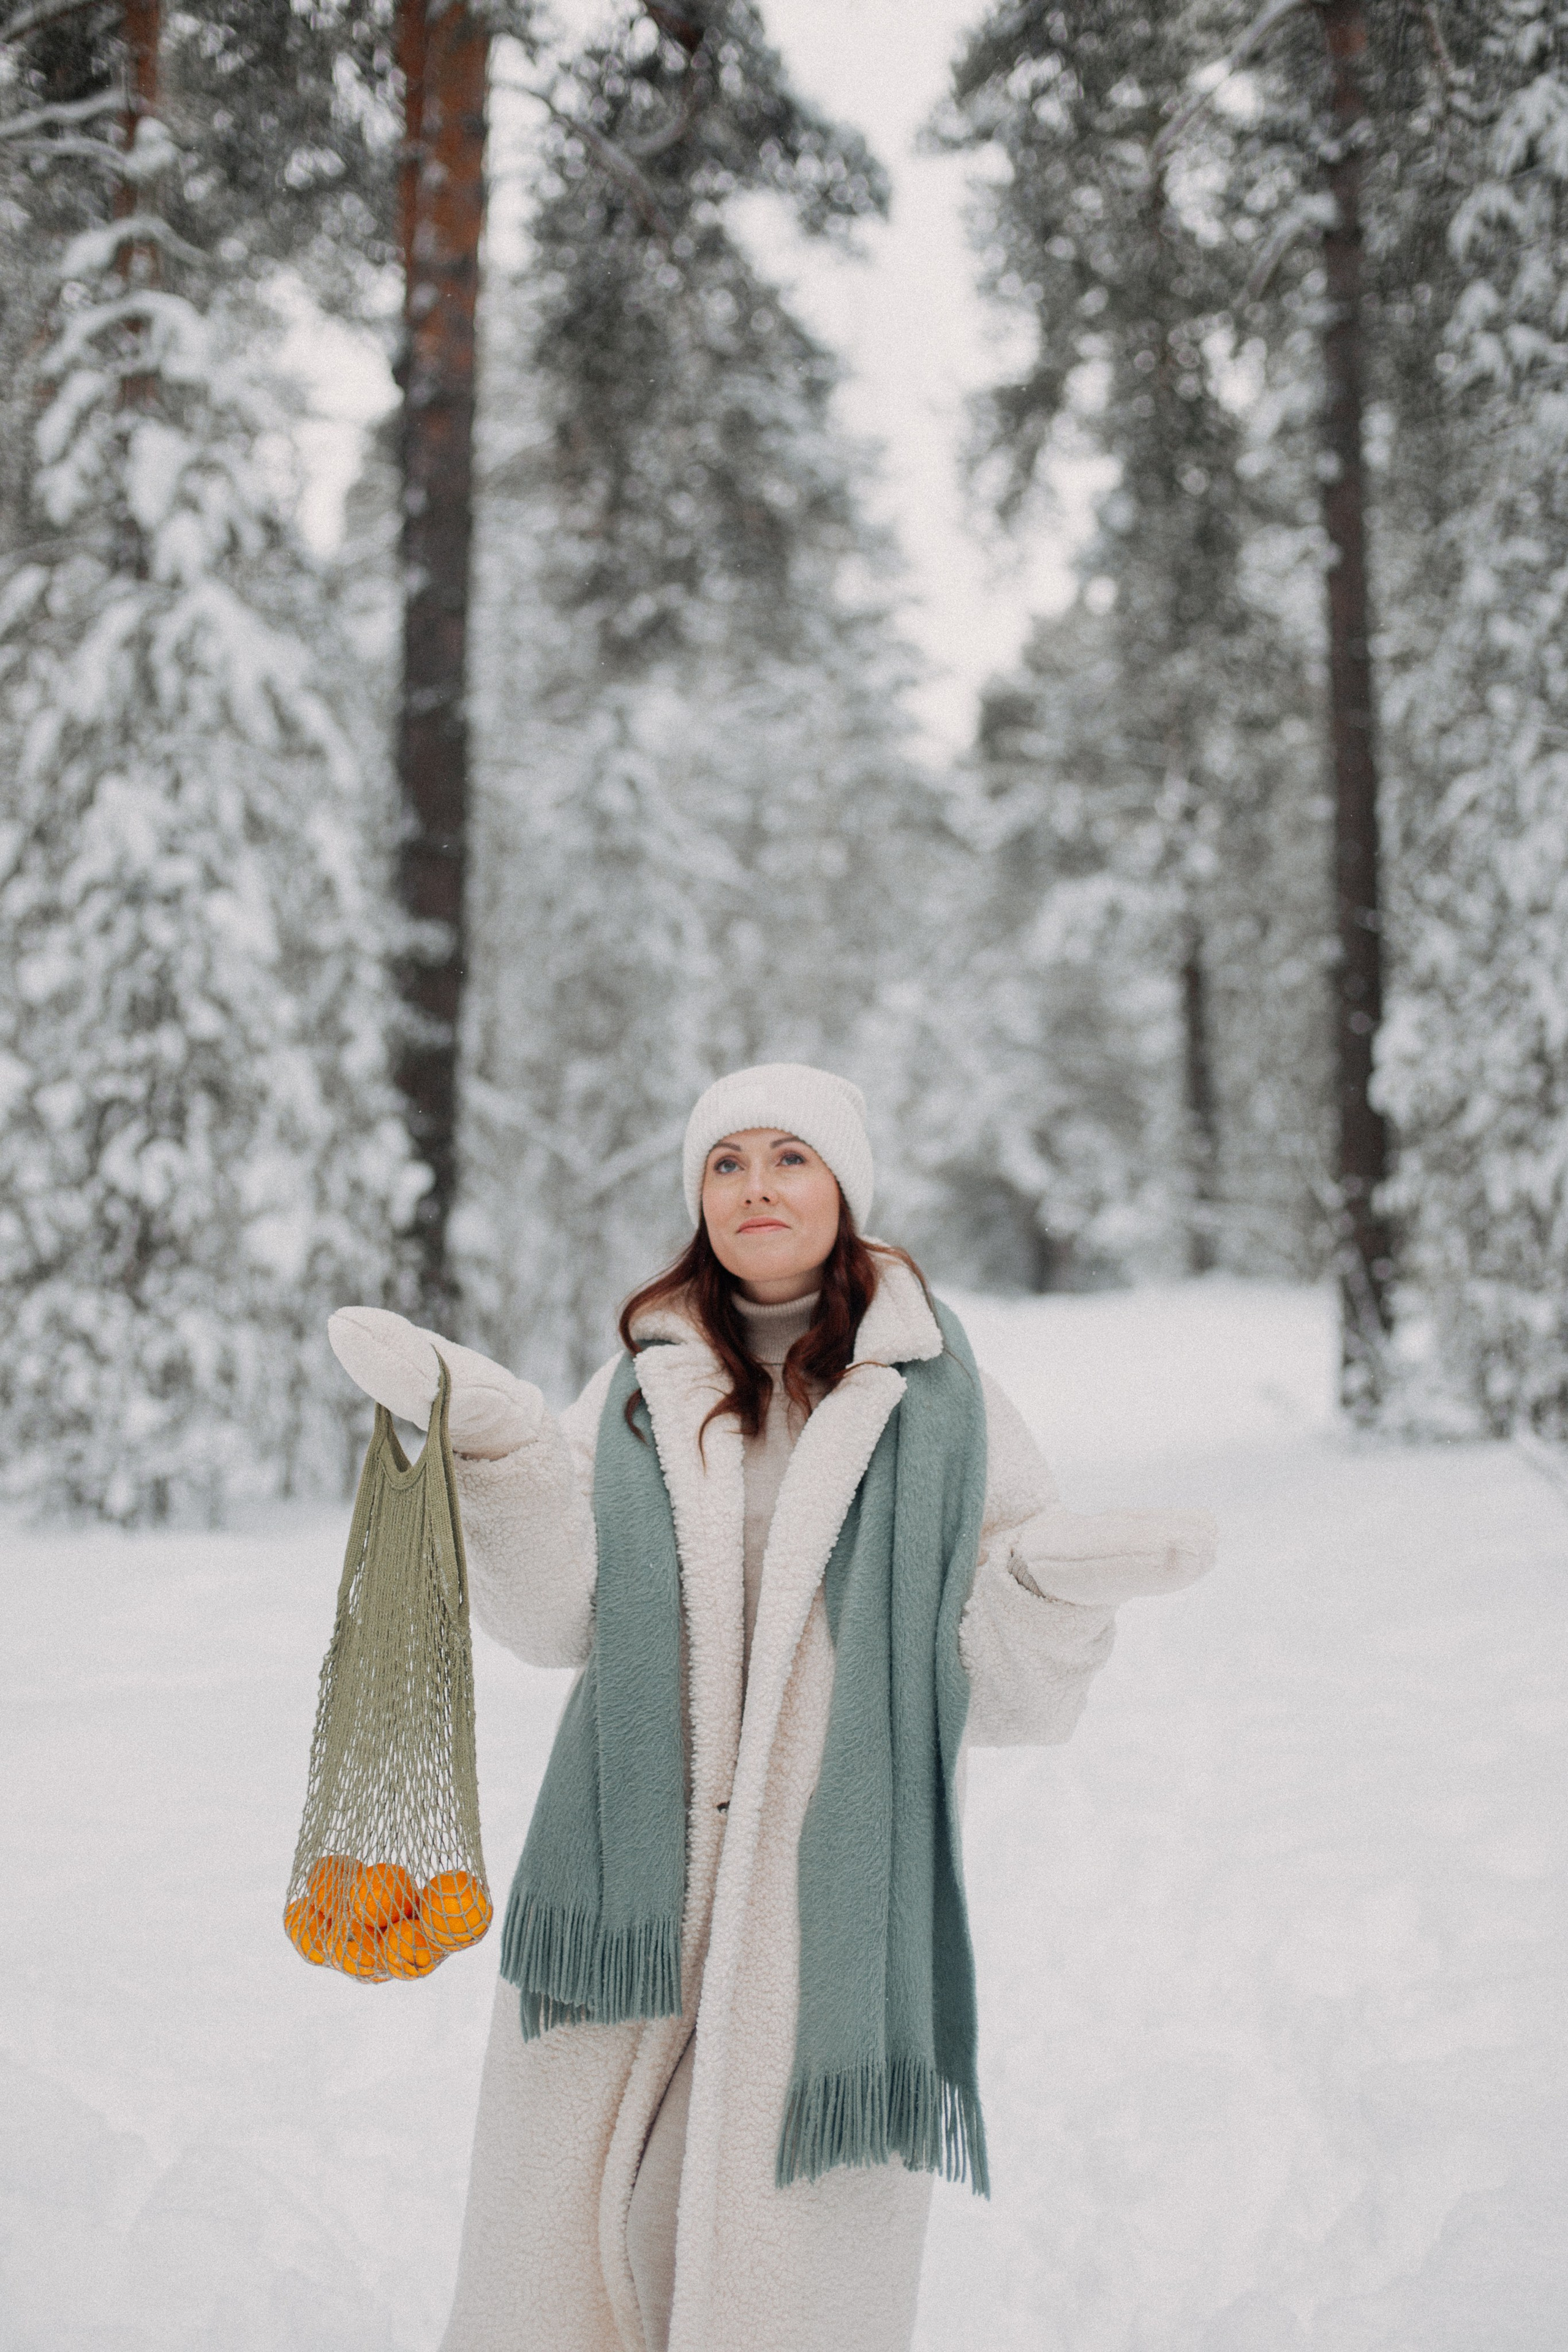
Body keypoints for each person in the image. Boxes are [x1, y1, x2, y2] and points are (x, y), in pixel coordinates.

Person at [329, 1063, 1216, 2352]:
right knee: (576, 2239)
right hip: (630, 1877)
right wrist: (505, 1454)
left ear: (843, 1186)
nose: (756, 1187)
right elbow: (554, 1615)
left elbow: (1009, 1697)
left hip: (827, 1906)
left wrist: (1042, 1595)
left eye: (788, 1158)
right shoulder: (645, 1381)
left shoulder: (943, 1401)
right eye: (725, 1162)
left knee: (774, 2268)